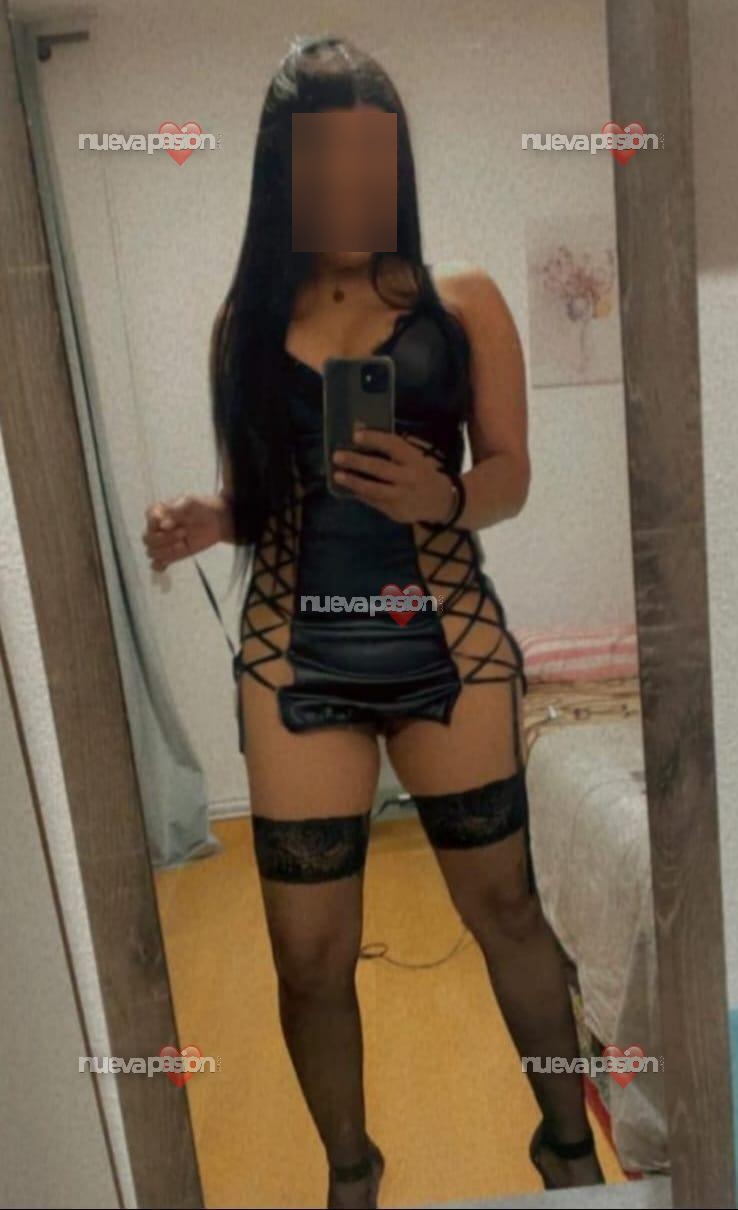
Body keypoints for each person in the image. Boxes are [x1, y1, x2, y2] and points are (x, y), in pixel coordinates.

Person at [143, 34, 604, 1210]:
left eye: (371, 158)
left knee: (505, 909)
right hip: (296, 643)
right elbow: (271, 493)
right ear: (280, 175)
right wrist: (213, 514)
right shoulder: (246, 322)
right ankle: (351, 1175)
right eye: (323, 162)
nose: (351, 185)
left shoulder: (464, 299)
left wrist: (442, 495)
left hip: (442, 623)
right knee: (306, 955)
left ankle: (569, 1148)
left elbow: (510, 474)